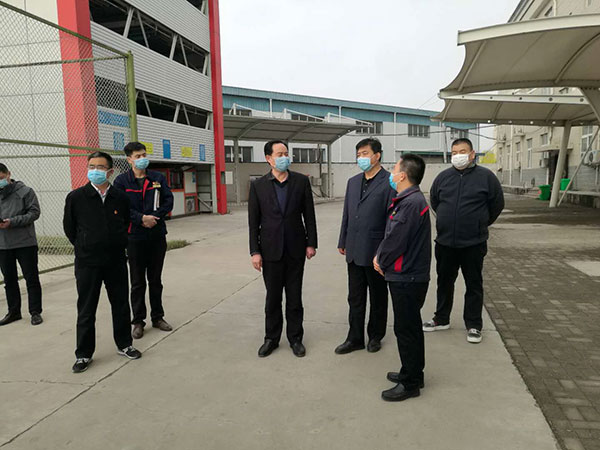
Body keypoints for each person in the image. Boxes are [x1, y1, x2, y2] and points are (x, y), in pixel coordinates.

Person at [63, 151, 141, 373]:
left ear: (110, 171)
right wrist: (85, 245)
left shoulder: (120, 197)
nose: (95, 171)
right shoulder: (76, 197)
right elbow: (70, 228)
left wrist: (117, 242)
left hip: (115, 260)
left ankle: (124, 344)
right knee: (86, 308)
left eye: (100, 167)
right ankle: (83, 354)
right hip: (88, 263)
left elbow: (125, 223)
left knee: (120, 304)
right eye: (92, 166)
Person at [423, 138, 504, 344]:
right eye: (454, 152)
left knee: (473, 284)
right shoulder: (443, 177)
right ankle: (441, 318)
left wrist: (480, 223)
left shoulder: (486, 177)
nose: (458, 156)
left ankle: (474, 324)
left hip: (473, 243)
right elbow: (435, 201)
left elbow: (497, 204)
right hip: (445, 242)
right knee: (444, 282)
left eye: (462, 151)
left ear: (472, 154)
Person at [248, 140, 318, 358]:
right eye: (280, 154)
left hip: (296, 249)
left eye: (286, 153)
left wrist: (311, 243)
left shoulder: (300, 182)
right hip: (270, 250)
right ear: (268, 158)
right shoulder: (258, 186)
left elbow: (309, 214)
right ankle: (271, 338)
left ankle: (295, 338)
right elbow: (253, 222)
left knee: (295, 297)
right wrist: (255, 251)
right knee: (273, 298)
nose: (285, 157)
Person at [374, 154, 431, 402]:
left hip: (407, 276)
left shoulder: (410, 203)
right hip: (409, 275)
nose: (391, 173)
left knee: (406, 330)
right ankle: (413, 372)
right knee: (410, 328)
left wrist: (380, 260)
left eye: (394, 169)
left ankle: (410, 384)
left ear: (403, 175)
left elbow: (396, 239)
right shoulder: (410, 200)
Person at [336, 138, 393, 354]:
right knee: (355, 297)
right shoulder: (353, 182)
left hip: (376, 250)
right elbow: (347, 214)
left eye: (365, 153)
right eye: (358, 154)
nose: (361, 158)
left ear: (377, 155)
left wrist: (385, 250)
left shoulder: (389, 182)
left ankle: (375, 336)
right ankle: (355, 338)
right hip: (354, 248)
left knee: (378, 297)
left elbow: (391, 220)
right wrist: (343, 240)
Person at [113, 142, 174, 339]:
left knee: (155, 280)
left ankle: (158, 317)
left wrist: (154, 217)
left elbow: (168, 201)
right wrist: (141, 219)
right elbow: (120, 207)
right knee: (137, 282)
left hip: (156, 235)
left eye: (144, 155)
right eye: (138, 156)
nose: (142, 159)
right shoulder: (122, 182)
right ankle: (138, 321)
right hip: (134, 237)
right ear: (129, 159)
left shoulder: (157, 178)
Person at [0, 163, 43, 326]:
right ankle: (14, 312)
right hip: (3, 244)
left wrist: (12, 222)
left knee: (31, 278)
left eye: (1, 178)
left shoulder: (25, 191)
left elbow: (34, 212)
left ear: (8, 174)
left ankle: (35, 312)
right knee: (9, 280)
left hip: (25, 242)